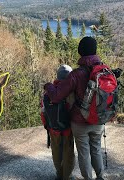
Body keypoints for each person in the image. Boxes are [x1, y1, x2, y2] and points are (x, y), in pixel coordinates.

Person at [44, 37, 105, 180]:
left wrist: (48, 86)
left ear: (80, 52)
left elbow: (57, 96)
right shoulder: (103, 70)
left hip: (80, 122)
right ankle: (100, 177)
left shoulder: (76, 74)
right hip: (99, 119)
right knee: (96, 149)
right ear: (95, 51)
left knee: (84, 153)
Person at [41, 64, 75, 180]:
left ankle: (59, 174)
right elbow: (72, 110)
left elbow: (43, 111)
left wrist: (47, 125)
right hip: (67, 129)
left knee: (56, 152)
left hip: (53, 129)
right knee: (68, 153)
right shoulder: (70, 92)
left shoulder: (48, 92)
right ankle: (68, 177)